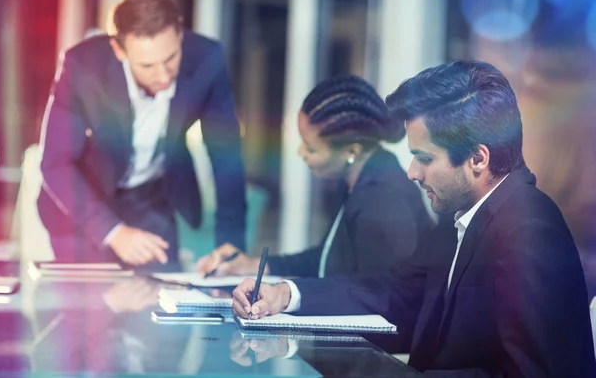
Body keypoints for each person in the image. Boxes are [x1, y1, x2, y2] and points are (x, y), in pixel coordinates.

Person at [232, 61, 596, 377]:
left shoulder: (530, 232)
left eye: (424, 157)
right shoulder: (461, 214)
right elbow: (396, 293)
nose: (411, 172)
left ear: (477, 159)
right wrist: (286, 294)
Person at [38, 0, 246, 268]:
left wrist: (230, 246)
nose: (163, 75)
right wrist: (114, 232)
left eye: (171, 58)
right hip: (83, 204)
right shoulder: (81, 66)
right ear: (119, 51)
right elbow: (56, 162)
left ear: (180, 33)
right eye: (147, 66)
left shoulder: (207, 59)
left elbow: (226, 156)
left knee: (164, 298)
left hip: (152, 201)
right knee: (88, 306)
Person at [197, 75, 433, 278]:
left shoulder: (380, 199)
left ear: (352, 150)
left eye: (311, 148)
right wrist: (255, 265)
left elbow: (373, 292)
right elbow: (329, 258)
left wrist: (288, 293)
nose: (301, 153)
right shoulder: (360, 179)